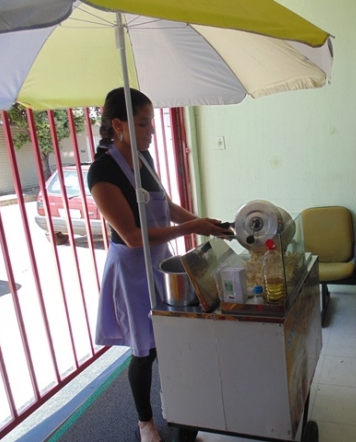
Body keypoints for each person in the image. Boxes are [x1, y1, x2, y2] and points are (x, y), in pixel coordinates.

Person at [88, 87, 232, 442]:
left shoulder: (145, 158)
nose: (152, 130)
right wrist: (192, 227)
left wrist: (204, 223)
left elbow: (166, 207)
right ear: (118, 125)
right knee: (146, 350)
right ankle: (145, 422)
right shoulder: (102, 172)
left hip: (161, 262)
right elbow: (132, 236)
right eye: (143, 123)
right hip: (130, 269)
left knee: (173, 337)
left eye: (151, 122)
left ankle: (180, 408)